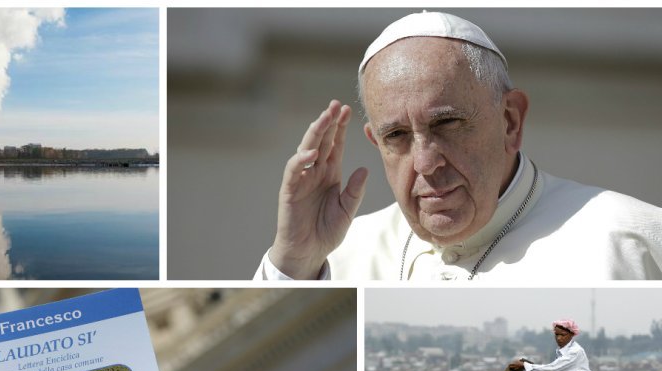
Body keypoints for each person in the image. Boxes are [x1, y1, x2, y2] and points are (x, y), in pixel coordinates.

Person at [255, 11, 662, 281]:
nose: (427, 163)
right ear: (376, 143)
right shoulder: (336, 257)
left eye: (447, 123)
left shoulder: (629, 241)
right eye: (396, 136)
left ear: (510, 121)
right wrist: (295, 261)